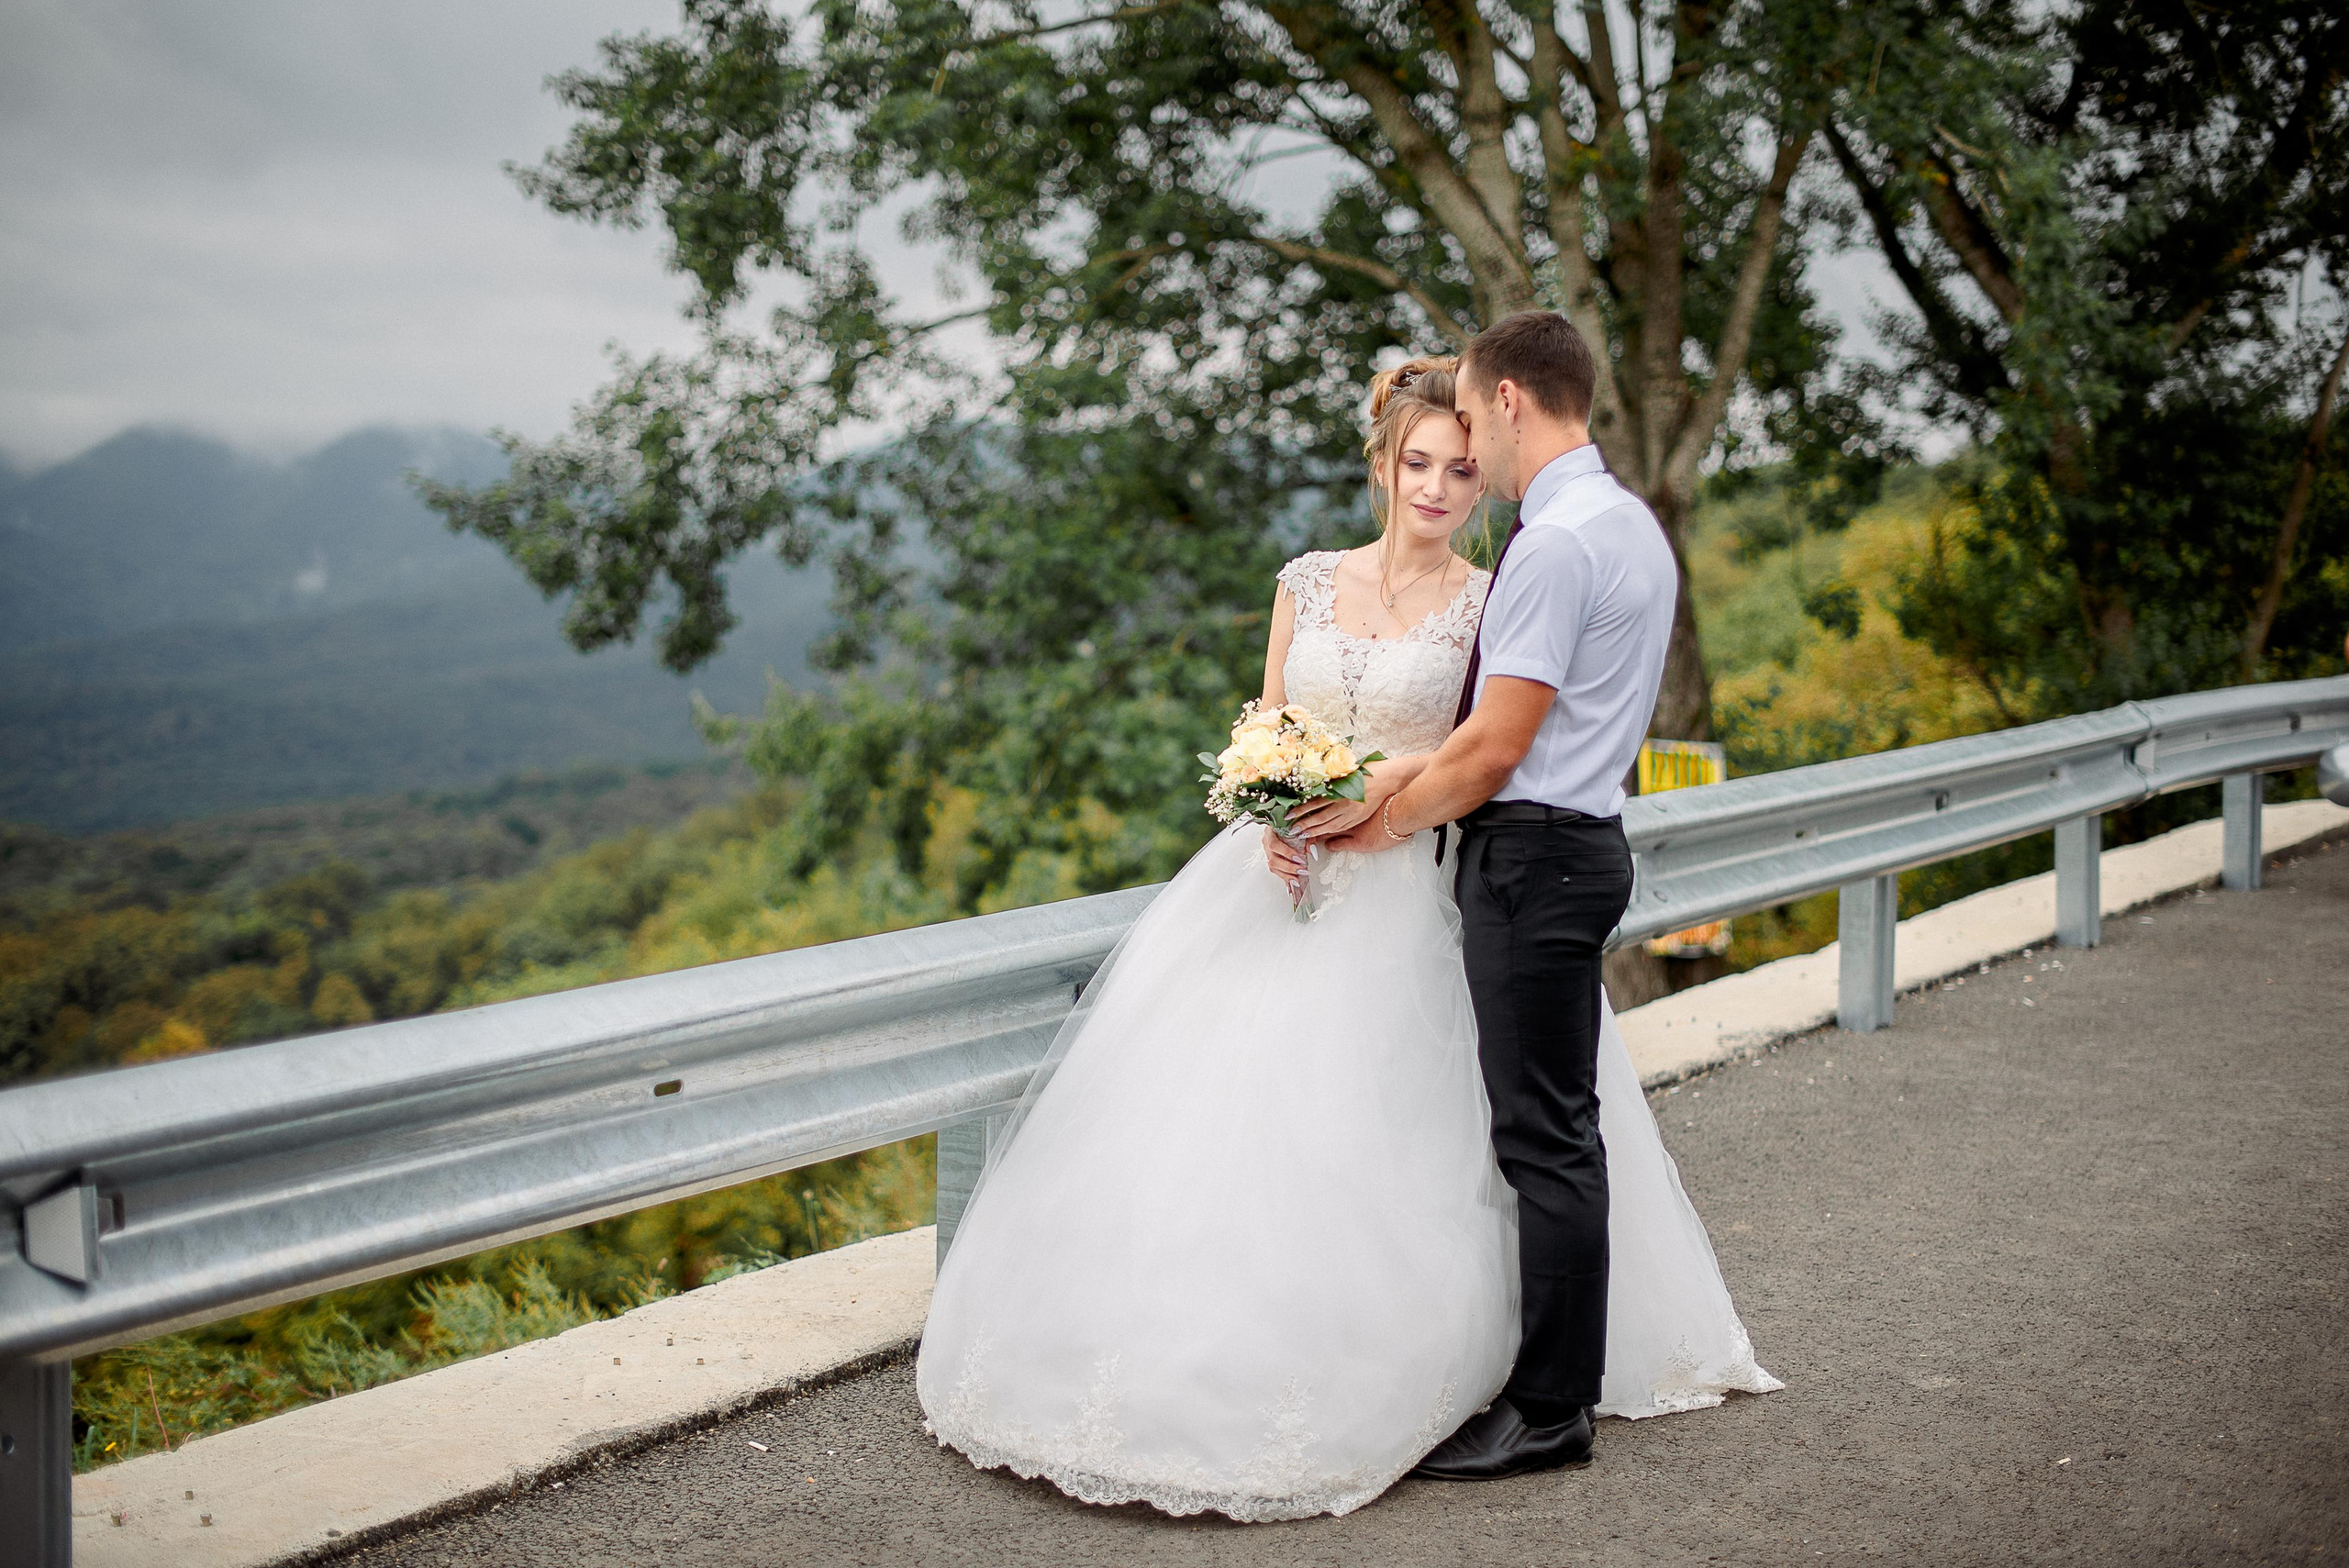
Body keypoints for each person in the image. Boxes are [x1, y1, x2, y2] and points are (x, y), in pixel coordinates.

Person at [915, 342, 1776, 1525]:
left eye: (1461, 469)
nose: (1437, 486)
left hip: (1416, 874)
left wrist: (1366, 813)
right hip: (1275, 881)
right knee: (1213, 1126)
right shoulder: (1308, 581)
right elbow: (1269, 721)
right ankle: (1182, 1341)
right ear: (1381, 465)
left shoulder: (1499, 588)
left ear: (1485, 472)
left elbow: (1481, 750)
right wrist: (1271, 808)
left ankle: (1442, 1372)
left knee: (1421, 1133)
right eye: (1417, 463)